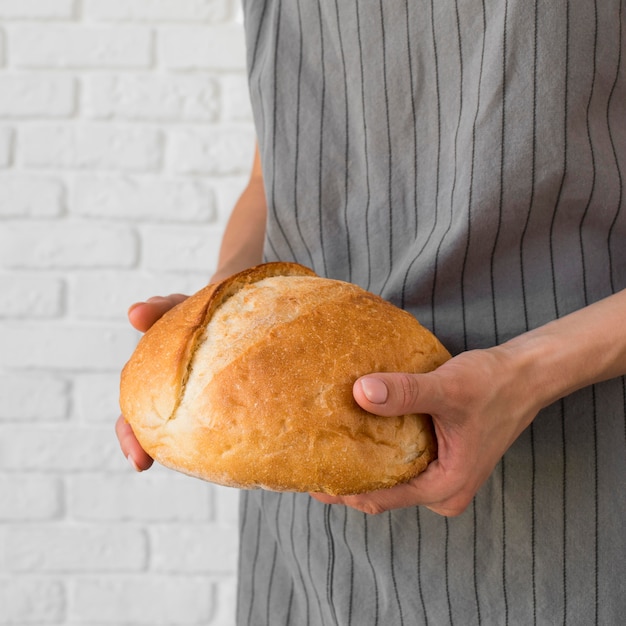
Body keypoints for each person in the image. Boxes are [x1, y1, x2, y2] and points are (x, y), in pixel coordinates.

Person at [117, 1, 626, 623]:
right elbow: (273, 176)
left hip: (568, 471)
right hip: (309, 517)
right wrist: (218, 303)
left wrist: (526, 371)